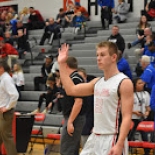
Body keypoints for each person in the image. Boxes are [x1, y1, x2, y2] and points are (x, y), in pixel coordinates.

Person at [58, 41, 133, 155]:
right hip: (95, 137)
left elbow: (127, 117)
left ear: (113, 57)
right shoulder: (97, 82)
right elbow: (71, 90)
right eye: (97, 55)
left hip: (112, 137)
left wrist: (120, 144)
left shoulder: (124, 82)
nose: (98, 58)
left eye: (102, 55)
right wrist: (62, 64)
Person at [59, 57, 87, 155]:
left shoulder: (75, 79)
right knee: (71, 149)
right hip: (73, 117)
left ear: (65, 66)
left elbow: (79, 102)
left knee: (67, 149)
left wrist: (70, 121)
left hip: (75, 118)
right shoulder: (72, 78)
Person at [0, 60, 19, 155]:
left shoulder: (6, 79)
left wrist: (7, 108)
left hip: (5, 113)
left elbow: (15, 95)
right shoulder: (2, 79)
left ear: (1, 69)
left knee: (7, 137)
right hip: (2, 112)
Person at [128, 77, 151, 155]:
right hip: (132, 119)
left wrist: (147, 112)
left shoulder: (146, 94)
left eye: (142, 83)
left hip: (142, 119)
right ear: (134, 85)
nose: (142, 85)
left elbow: (147, 106)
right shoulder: (130, 94)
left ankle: (147, 152)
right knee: (129, 136)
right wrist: (134, 112)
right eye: (139, 83)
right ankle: (127, 151)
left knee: (145, 137)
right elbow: (125, 107)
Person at [77, 68, 95, 148]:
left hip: (89, 124)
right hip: (79, 125)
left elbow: (95, 109)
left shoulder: (92, 90)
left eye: (81, 76)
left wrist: (95, 125)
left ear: (85, 77)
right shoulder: (76, 89)